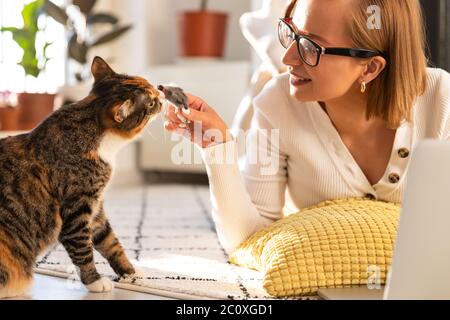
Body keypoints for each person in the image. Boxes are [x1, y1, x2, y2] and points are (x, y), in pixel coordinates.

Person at [164, 0, 450, 254]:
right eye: (291, 34)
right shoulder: (276, 103)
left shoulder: (441, 100)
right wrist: (217, 148)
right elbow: (249, 239)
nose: (287, 58)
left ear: (370, 68)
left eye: (311, 46)